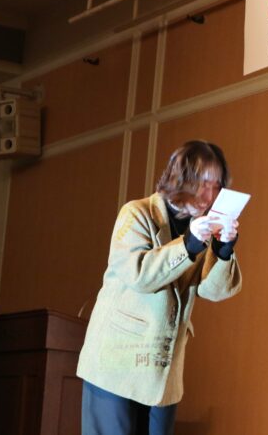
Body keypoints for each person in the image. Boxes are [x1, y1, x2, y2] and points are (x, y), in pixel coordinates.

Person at [77, 140, 242, 435]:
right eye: (203, 183)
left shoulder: (202, 227)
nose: (209, 195)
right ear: (180, 178)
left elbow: (213, 291)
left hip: (162, 374)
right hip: (116, 364)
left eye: (216, 186)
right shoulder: (137, 213)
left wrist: (224, 249)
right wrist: (189, 244)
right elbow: (139, 275)